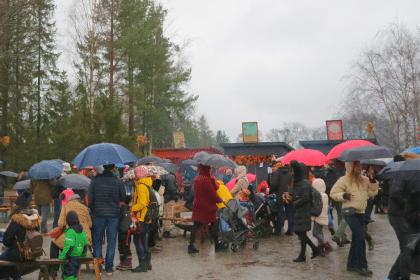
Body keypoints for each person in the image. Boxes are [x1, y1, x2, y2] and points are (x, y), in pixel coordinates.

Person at [330, 161, 378, 277]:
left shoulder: (365, 180)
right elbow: (333, 193)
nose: (359, 167)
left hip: (361, 212)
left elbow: (372, 193)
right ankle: (362, 265)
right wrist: (344, 196)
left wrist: (372, 180)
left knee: (357, 238)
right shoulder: (344, 179)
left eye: (360, 165)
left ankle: (351, 264)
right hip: (349, 211)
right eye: (356, 165)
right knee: (360, 237)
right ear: (351, 167)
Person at [88, 164, 126, 276]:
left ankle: (98, 266)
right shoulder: (118, 181)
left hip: (98, 214)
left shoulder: (95, 180)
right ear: (114, 167)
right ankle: (109, 268)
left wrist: (94, 208)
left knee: (97, 241)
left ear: (103, 167)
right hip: (113, 214)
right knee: (111, 242)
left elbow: (90, 199)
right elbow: (122, 197)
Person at [0, 191, 42, 280]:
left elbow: (6, 241)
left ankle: (6, 278)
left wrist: (10, 232)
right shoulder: (35, 218)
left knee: (3, 258)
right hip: (34, 253)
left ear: (17, 206)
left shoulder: (17, 219)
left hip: (21, 254)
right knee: (10, 258)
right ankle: (17, 277)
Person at [387, 154, 415, 280]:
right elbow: (395, 193)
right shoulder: (402, 175)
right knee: (407, 248)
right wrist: (410, 204)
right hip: (397, 215)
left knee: (408, 247)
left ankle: (393, 276)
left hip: (406, 215)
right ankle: (403, 277)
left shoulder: (411, 176)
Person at [188, 164, 228, 254]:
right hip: (207, 206)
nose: (210, 170)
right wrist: (220, 200)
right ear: (207, 169)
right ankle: (217, 245)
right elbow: (212, 193)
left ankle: (191, 246)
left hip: (198, 205)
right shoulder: (206, 180)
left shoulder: (196, 179)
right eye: (209, 168)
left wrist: (212, 182)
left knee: (196, 225)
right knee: (214, 223)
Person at [50, 193, 92, 277]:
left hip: (73, 236)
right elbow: (90, 224)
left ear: (69, 201)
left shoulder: (65, 207)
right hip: (85, 237)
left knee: (55, 242)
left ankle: (54, 269)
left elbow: (60, 224)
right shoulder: (84, 208)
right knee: (64, 242)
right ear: (78, 200)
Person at [287, 160, 322, 262]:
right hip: (298, 211)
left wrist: (295, 203)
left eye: (294, 170)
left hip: (303, 211)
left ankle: (303, 255)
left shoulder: (304, 182)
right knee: (300, 232)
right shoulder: (297, 182)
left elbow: (305, 197)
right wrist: (290, 197)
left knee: (301, 233)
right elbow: (296, 195)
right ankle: (314, 249)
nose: (292, 173)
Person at [130, 166, 153, 273]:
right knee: (143, 240)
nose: (134, 175)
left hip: (140, 218)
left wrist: (132, 208)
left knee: (137, 240)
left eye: (135, 173)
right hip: (145, 218)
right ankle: (147, 263)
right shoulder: (146, 184)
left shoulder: (141, 186)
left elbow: (142, 203)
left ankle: (142, 265)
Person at [59, 211, 88, 280]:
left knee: (68, 276)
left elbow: (69, 246)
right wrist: (84, 254)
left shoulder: (70, 232)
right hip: (78, 257)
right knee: (74, 274)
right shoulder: (82, 231)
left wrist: (62, 256)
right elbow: (85, 244)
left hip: (70, 257)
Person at [269, 163, 293, 235]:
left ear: (278, 166)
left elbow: (274, 184)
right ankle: (290, 230)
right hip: (288, 195)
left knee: (279, 213)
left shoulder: (277, 173)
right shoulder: (289, 174)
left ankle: (278, 230)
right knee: (289, 214)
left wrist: (270, 191)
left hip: (279, 196)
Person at [311, 178, 333, 255]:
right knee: (320, 232)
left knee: (315, 233)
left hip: (319, 217)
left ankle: (326, 245)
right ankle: (321, 250)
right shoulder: (325, 195)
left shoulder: (318, 195)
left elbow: (315, 207)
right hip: (323, 216)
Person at [116, 194, 133, 271]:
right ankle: (124, 262)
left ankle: (126, 263)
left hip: (124, 232)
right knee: (124, 246)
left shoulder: (123, 211)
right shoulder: (127, 209)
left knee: (124, 246)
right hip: (126, 232)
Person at [161, 173, 179, 238]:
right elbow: (172, 188)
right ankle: (167, 232)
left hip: (165, 198)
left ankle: (165, 230)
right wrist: (176, 196)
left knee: (165, 215)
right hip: (170, 199)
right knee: (169, 215)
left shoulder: (164, 177)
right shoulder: (171, 177)